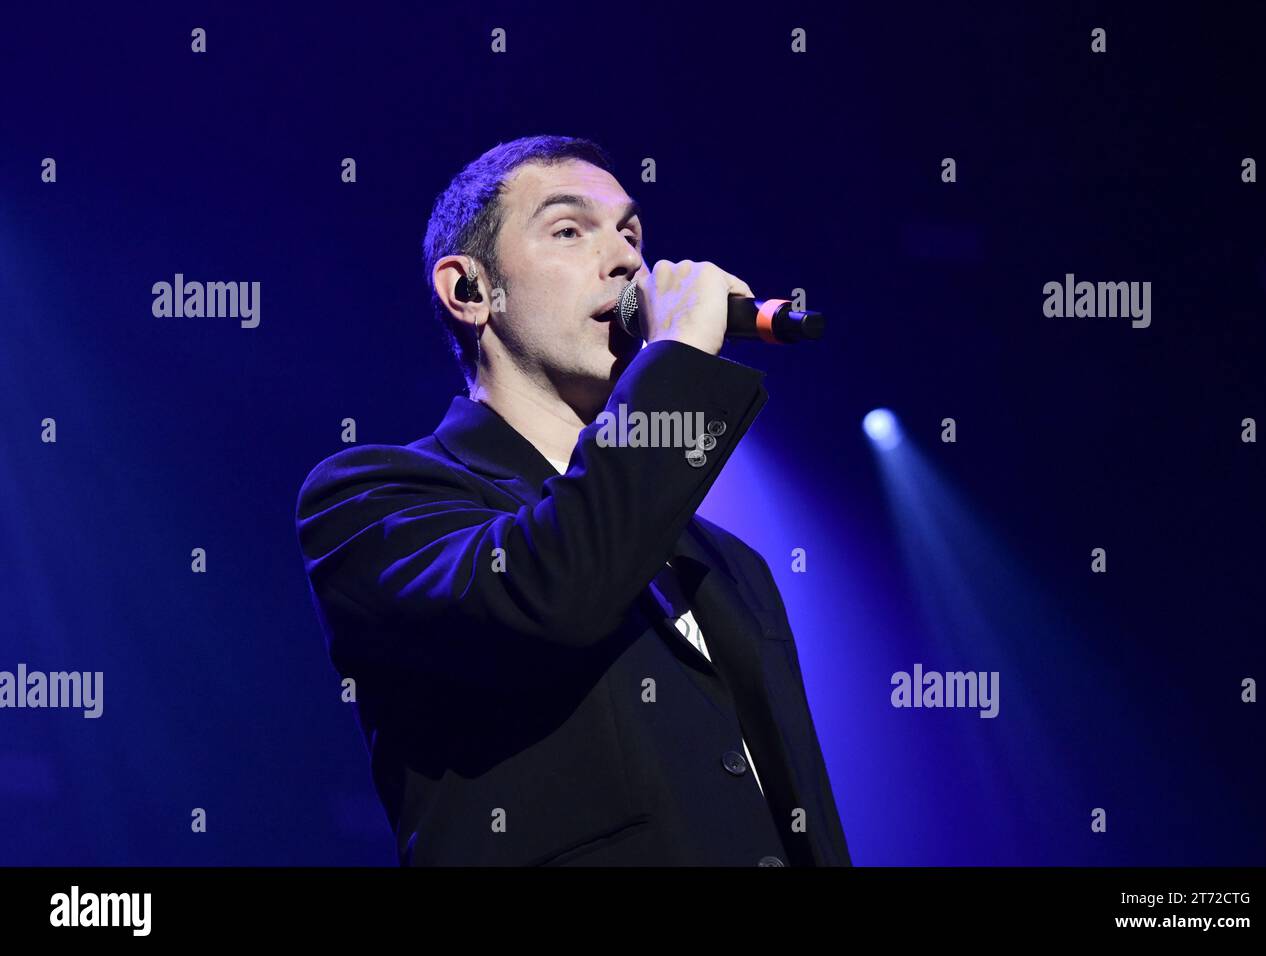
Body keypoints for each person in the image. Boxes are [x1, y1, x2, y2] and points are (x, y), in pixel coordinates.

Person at [295, 135, 851, 866]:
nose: (626, 261)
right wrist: (677, 362)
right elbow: (555, 589)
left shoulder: (727, 563)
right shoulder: (370, 499)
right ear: (470, 291)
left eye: (631, 234)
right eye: (569, 229)